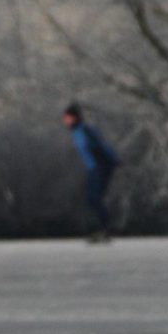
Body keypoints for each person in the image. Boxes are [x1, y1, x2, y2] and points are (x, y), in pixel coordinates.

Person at [62, 102, 119, 242]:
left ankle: (104, 230)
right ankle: (101, 229)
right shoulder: (77, 131)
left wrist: (112, 160)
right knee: (92, 199)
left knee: (94, 198)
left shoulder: (85, 130)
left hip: (100, 166)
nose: (64, 120)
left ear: (74, 118)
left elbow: (100, 146)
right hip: (94, 168)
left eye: (67, 117)